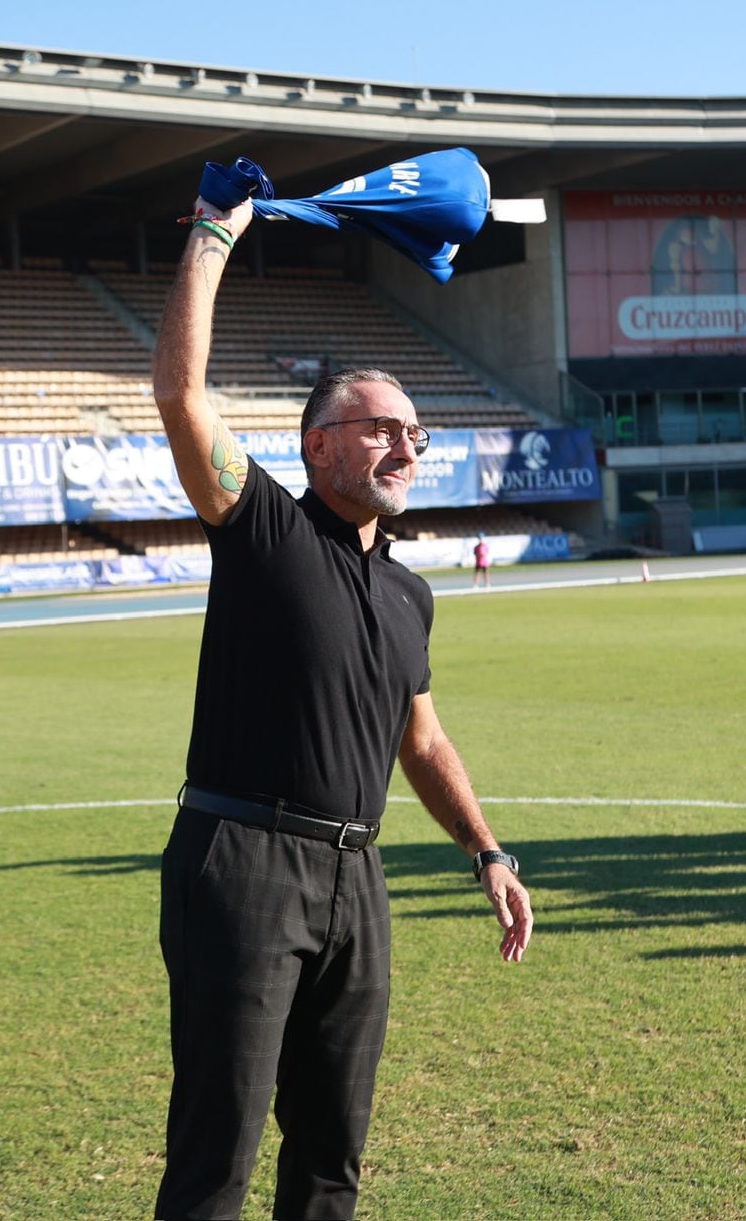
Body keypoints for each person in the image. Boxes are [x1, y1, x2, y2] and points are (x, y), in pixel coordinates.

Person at [149, 190, 534, 1219]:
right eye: (381, 429)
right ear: (318, 444)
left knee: (331, 1157)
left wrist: (486, 852)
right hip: (241, 865)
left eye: (413, 431)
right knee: (215, 1154)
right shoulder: (265, 528)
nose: (406, 446)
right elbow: (181, 393)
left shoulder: (408, 591)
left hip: (355, 876)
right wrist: (214, 234)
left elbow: (422, 736)